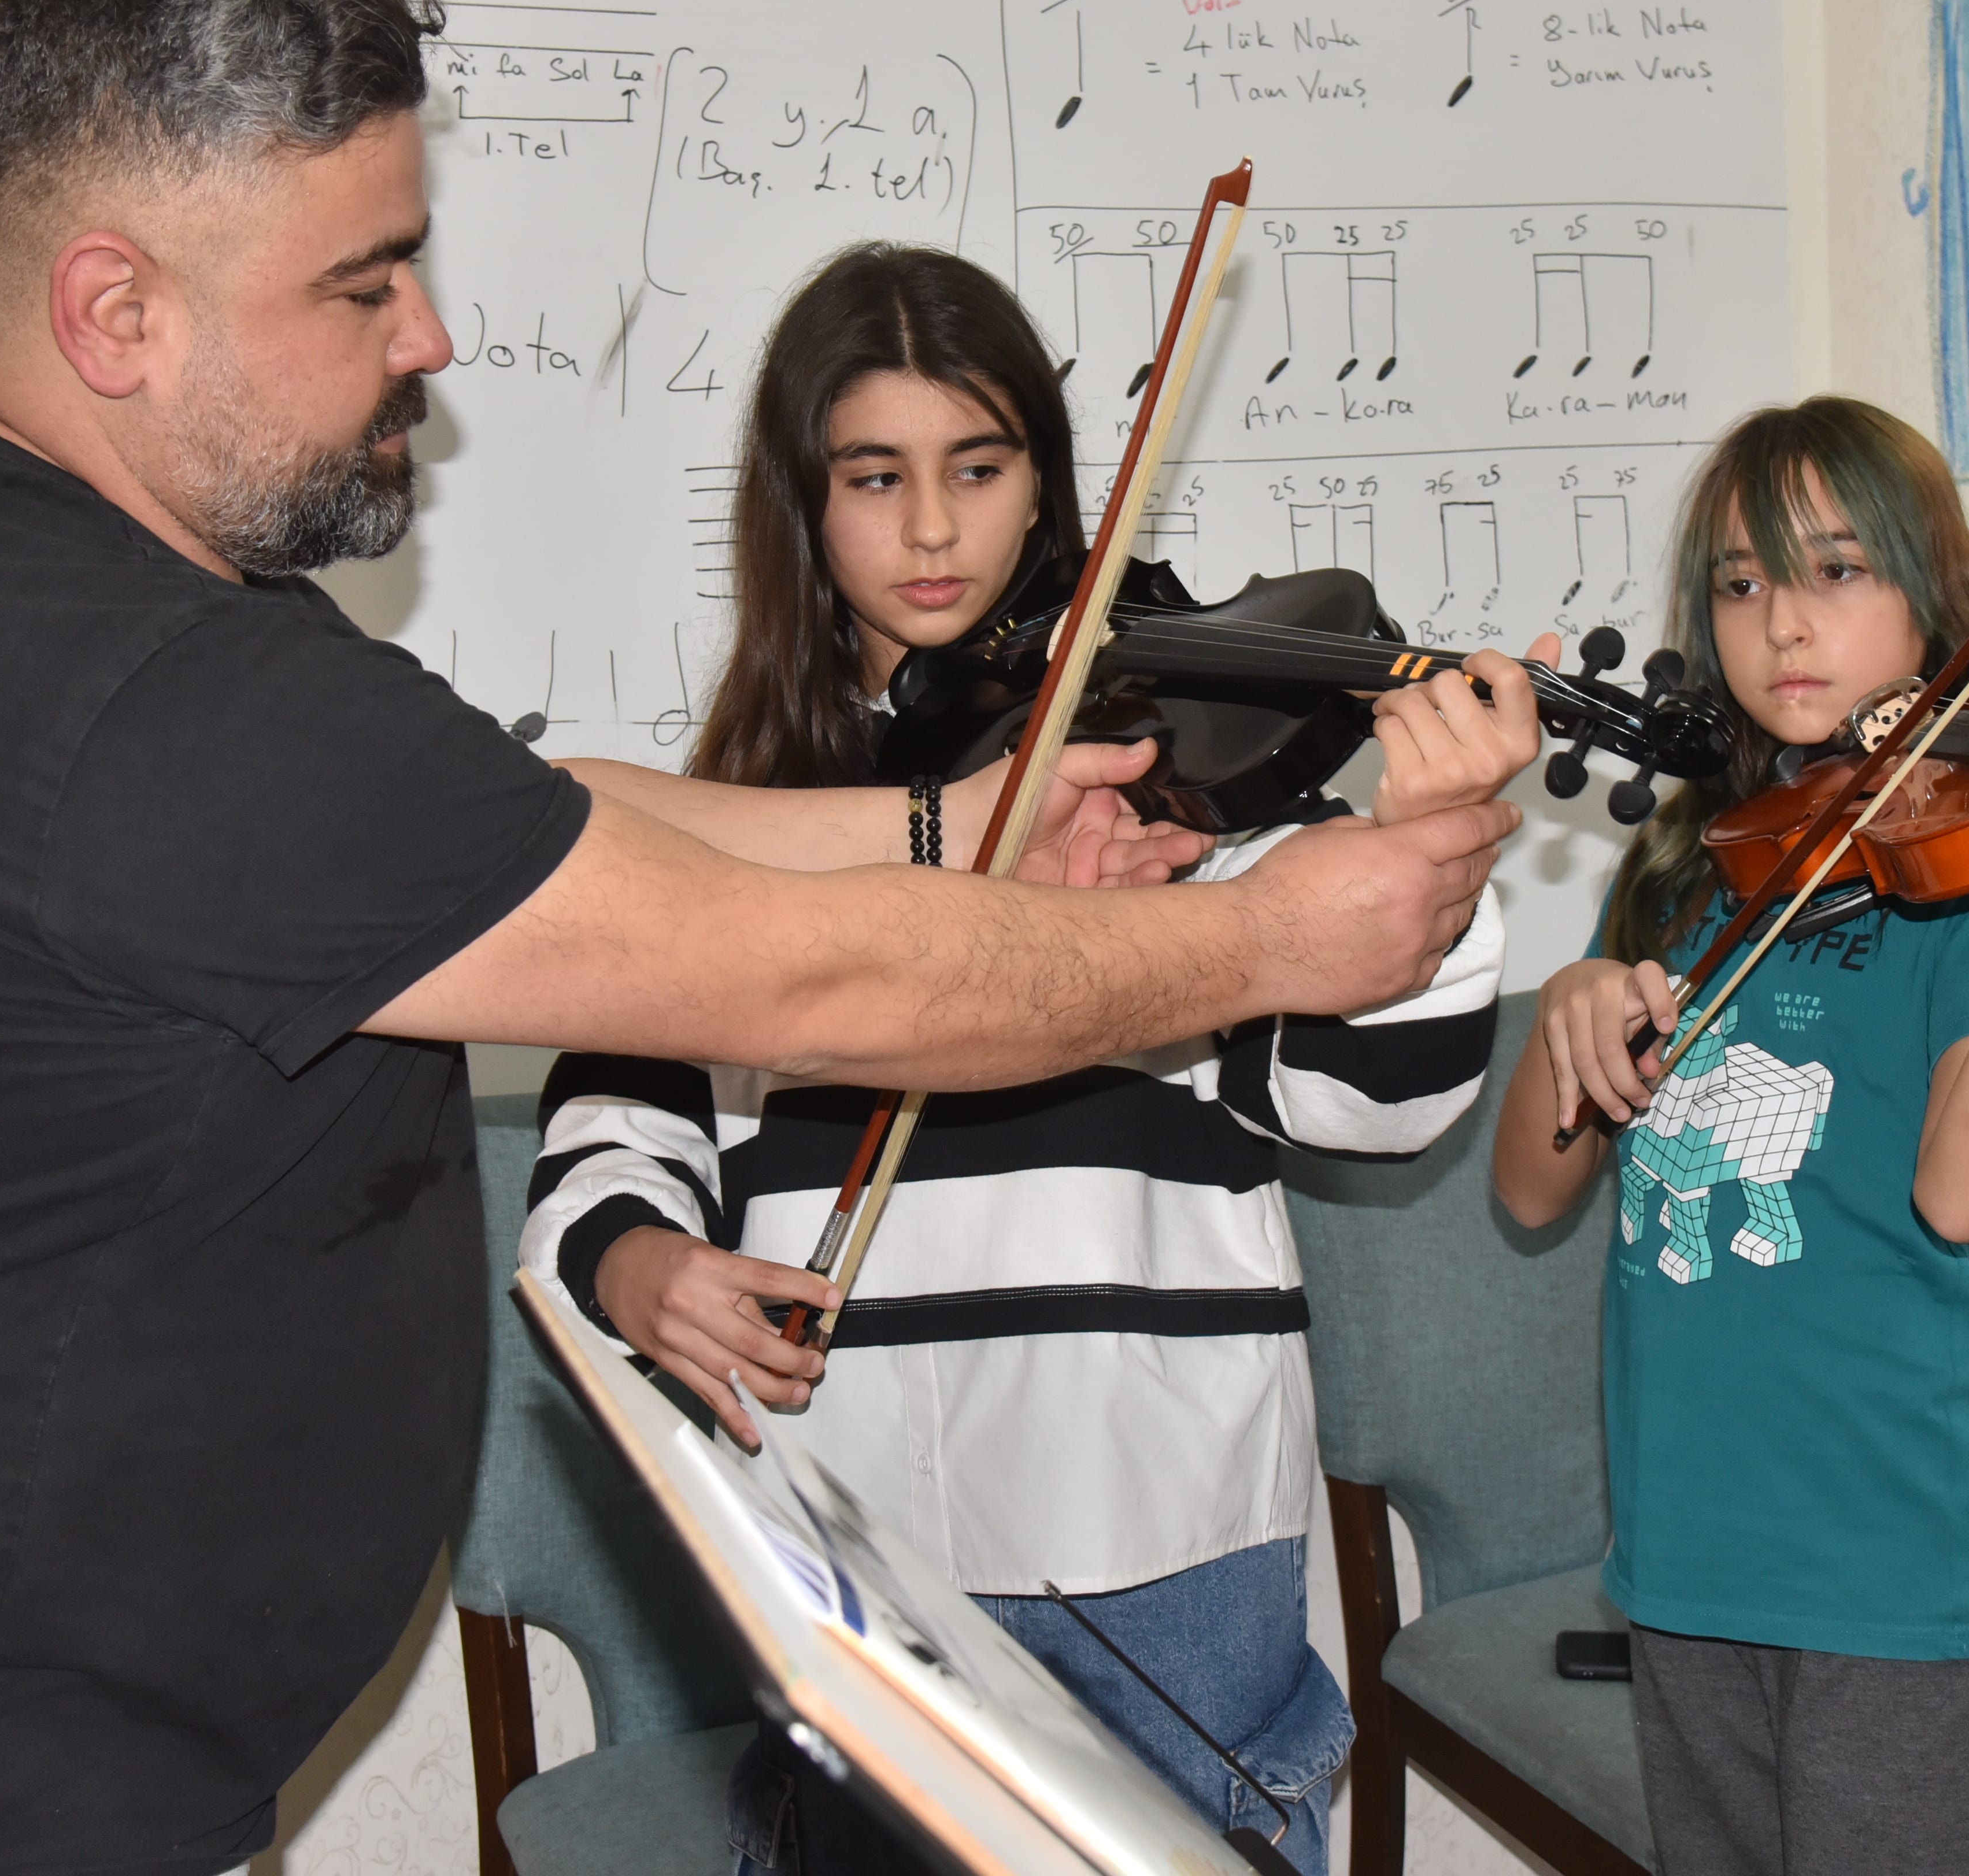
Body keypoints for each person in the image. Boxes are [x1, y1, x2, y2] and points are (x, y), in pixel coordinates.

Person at [0, 0, 1517, 1876]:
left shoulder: (21, 558)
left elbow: (536, 820)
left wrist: (943, 818)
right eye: (363, 282)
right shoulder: (153, 699)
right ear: (117, 312)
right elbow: (804, 987)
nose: (428, 337)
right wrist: (1268, 940)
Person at [520, 243, 1556, 1873]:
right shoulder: (748, 827)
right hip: (854, 1538)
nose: (933, 529)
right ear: (804, 504)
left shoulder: (1159, 774)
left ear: (1046, 483)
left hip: (1161, 1530)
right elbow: (610, 1126)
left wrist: (1425, 844)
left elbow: (1377, 1098)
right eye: (876, 476)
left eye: (980, 468)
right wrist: (639, 1263)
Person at [1487, 396, 1969, 1876]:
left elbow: (1965, 1192)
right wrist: (1569, 1006)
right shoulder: (1690, 863)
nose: (1781, 623)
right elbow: (1532, 1191)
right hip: (1682, 1556)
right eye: (1740, 583)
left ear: (1934, 598)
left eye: (1836, 570)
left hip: (1889, 1563)